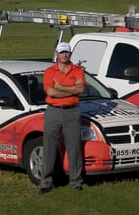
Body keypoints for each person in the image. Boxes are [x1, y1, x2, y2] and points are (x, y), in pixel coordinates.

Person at [40, 42, 86, 194]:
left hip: (72, 113)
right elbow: (51, 92)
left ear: (70, 53)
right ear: (57, 53)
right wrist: (71, 91)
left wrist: (60, 87)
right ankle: (46, 182)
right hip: (53, 112)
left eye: (67, 52)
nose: (64, 55)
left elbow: (81, 89)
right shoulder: (49, 71)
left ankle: (76, 181)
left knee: (74, 147)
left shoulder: (78, 70)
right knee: (49, 147)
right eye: (62, 52)